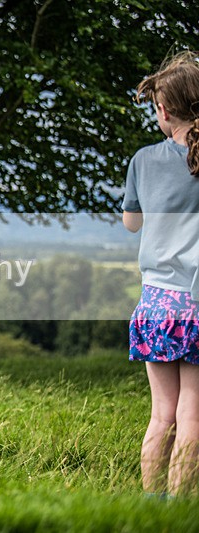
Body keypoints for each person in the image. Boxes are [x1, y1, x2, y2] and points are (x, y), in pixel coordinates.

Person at [123, 50, 199, 497]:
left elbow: (133, 222)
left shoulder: (143, 160)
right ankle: (179, 508)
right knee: (192, 416)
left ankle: (151, 504)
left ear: (164, 110)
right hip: (195, 303)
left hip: (155, 303)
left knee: (161, 414)